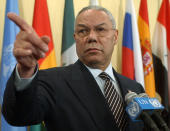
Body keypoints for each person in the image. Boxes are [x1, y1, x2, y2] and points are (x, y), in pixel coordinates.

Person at [2, 6, 145, 131]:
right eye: (83, 31)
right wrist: (25, 71)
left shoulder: (134, 87)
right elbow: (19, 115)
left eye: (100, 29)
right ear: (75, 38)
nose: (92, 37)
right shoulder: (52, 81)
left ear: (115, 36)